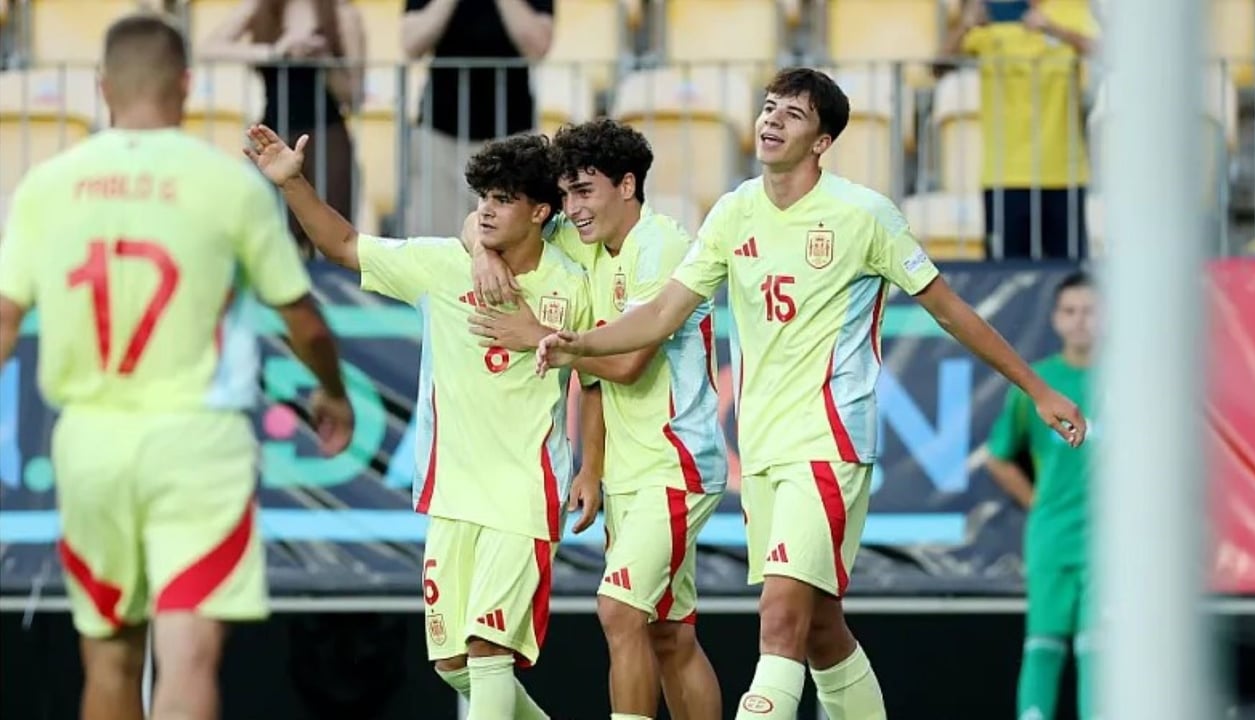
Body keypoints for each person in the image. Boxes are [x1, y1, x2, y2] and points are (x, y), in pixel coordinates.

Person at [536, 67, 1088, 720]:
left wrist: (1037, 386)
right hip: (763, 450)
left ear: (822, 141)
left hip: (828, 442)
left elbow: (948, 310)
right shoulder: (733, 211)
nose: (770, 121)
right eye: (768, 108)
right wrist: (579, 345)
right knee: (821, 627)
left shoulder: (864, 215)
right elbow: (660, 316)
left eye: (791, 114)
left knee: (779, 620)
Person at [0, 13, 354, 720]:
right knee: (187, 655)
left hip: (90, 443)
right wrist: (333, 394)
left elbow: (5, 320)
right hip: (199, 444)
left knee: (109, 658)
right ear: (188, 86)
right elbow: (302, 317)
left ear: (102, 87)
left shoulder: (47, 184)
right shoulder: (228, 185)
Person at [244, 124, 596, 720]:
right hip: (452, 491)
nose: (485, 211)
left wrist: (593, 466)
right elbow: (346, 244)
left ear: (541, 211)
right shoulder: (442, 266)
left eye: (503, 200)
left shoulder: (574, 282)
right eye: (482, 197)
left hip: (524, 492)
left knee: (489, 650)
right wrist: (294, 184)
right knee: (454, 663)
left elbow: (600, 374)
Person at [464, 118, 725, 720]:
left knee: (618, 610)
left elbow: (629, 362)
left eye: (585, 191)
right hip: (631, 472)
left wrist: (539, 336)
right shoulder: (589, 245)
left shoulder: (660, 244)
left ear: (627, 185)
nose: (571, 208)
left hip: (676, 463)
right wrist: (592, 466)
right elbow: (480, 221)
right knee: (670, 633)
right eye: (566, 193)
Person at [984, 271, 1096, 720]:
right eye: (1070, 311)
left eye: (1090, 310)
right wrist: (1036, 503)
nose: (1080, 321)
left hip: (1111, 541)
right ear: (1054, 318)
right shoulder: (1040, 384)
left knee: (1101, 647)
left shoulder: (1133, 382)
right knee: (1044, 643)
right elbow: (998, 456)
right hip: (1051, 533)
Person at [200, 0, 366, 255]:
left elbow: (354, 97)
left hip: (327, 139)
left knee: (332, 236)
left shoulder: (341, 13)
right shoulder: (259, 7)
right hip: (273, 138)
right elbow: (207, 49)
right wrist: (275, 51)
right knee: (265, 236)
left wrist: (324, 60)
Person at [942, 0, 1097, 260]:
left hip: (1064, 172)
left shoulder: (1072, 10)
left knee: (1070, 273)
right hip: (1005, 175)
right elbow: (938, 65)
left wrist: (1054, 29)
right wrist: (965, 26)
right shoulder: (990, 14)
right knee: (1003, 272)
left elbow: (1108, 52)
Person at [400, 0, 554, 236]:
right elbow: (411, 44)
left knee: (512, 245)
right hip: (441, 132)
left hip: (513, 138)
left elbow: (538, 45)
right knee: (437, 246)